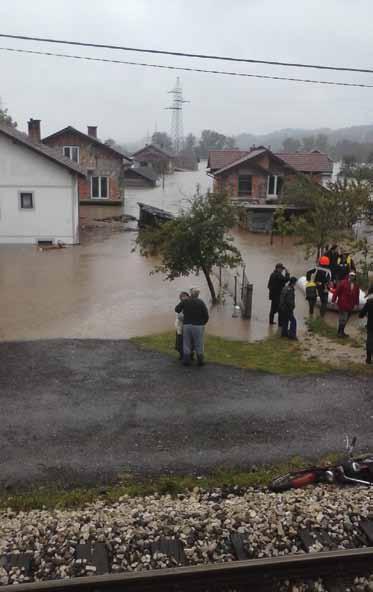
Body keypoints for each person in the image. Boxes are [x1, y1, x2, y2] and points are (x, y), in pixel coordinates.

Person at [175, 288, 209, 366]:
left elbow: (177, 309)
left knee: (186, 343)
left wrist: (183, 310)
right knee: (199, 343)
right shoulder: (201, 302)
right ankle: (200, 361)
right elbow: (206, 315)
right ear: (198, 294)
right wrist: (203, 323)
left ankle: (186, 360)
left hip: (187, 325)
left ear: (191, 294)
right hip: (198, 326)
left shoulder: (185, 301)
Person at [332, 271, 360, 337]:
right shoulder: (343, 283)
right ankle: (340, 333)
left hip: (351, 305)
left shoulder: (356, 285)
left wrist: (357, 304)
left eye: (353, 276)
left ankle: (341, 332)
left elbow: (357, 295)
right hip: (342, 303)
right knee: (343, 318)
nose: (352, 277)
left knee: (346, 319)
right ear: (348, 276)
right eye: (351, 275)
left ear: (355, 277)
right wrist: (333, 300)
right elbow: (336, 292)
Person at [359, 286, 373, 364]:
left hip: (370, 325)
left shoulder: (369, 302)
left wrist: (362, 315)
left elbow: (361, 314)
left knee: (370, 341)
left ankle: (368, 358)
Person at [175, 291, 189, 360]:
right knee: (179, 341)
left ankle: (189, 355)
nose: (183, 297)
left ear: (188, 297)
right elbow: (178, 313)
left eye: (185, 296)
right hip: (180, 326)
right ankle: (181, 354)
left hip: (187, 326)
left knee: (188, 341)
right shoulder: (179, 305)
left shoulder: (190, 304)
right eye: (181, 296)